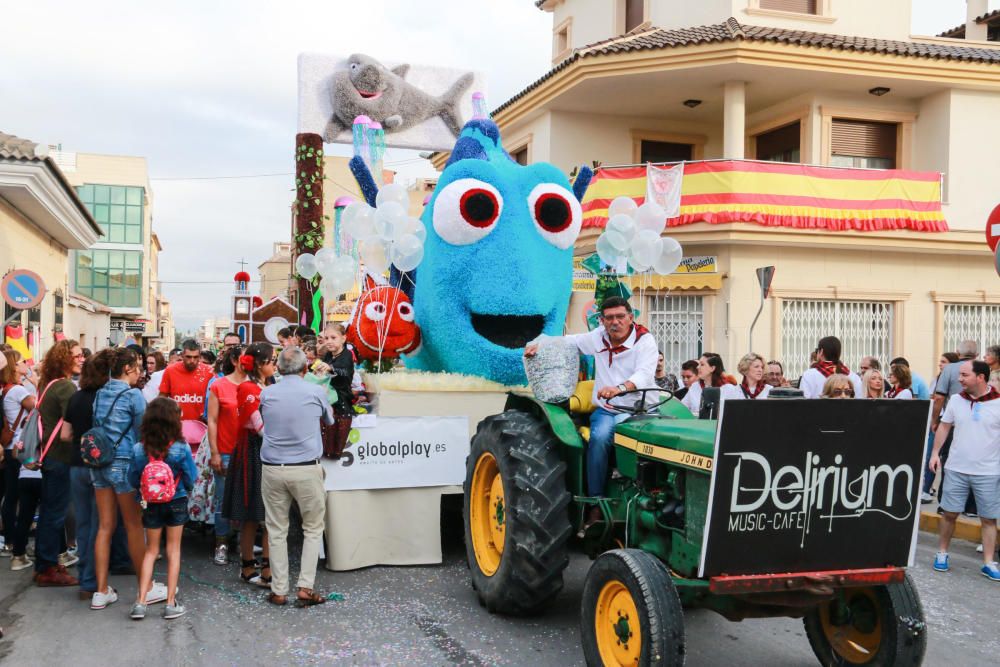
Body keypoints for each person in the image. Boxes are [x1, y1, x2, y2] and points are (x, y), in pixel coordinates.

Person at [526, 297, 657, 524]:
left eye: (620, 317)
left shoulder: (645, 341)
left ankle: (647, 491)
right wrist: (540, 344)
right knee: (600, 436)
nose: (615, 322)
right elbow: (570, 341)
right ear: (602, 321)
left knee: (632, 433)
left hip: (639, 408)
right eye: (609, 318)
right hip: (607, 409)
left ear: (630, 318)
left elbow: (645, 373)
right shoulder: (598, 337)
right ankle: (596, 501)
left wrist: (620, 388)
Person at [89, 348, 163, 610]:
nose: (141, 372)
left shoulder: (100, 393)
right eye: (139, 367)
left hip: (99, 463)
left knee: (105, 526)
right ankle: (148, 586)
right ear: (129, 369)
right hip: (123, 463)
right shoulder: (133, 395)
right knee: (133, 525)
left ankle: (100, 591)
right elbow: (144, 432)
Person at [259, 346, 332, 607]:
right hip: (305, 467)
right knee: (312, 528)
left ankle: (279, 590)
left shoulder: (266, 393)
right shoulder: (316, 391)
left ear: (278, 368)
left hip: (273, 467)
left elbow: (262, 421)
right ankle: (305, 586)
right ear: (304, 369)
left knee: (277, 529)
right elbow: (330, 420)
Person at [929, 360, 1000, 580]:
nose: (959, 379)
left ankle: (988, 562)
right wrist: (935, 453)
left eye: (964, 375)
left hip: (989, 470)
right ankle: (942, 552)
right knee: (949, 513)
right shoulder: (957, 400)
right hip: (956, 467)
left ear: (980, 377)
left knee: (988, 518)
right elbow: (944, 426)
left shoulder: (998, 402)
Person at [128, 398, 197, 620]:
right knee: (174, 550)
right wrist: (183, 488)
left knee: (151, 550)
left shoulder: (140, 448)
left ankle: (141, 601)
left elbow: (132, 478)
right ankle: (170, 603)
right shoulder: (181, 447)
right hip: (176, 501)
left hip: (151, 503)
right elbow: (191, 477)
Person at [61, 349, 114, 598]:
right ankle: (95, 581)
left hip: (76, 464)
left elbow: (64, 435)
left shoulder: (76, 397)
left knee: (83, 524)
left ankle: (85, 579)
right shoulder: (105, 399)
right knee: (100, 525)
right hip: (99, 466)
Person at [222, 343, 275, 588]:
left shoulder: (269, 386)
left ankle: (266, 568)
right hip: (253, 451)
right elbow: (260, 427)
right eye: (271, 360)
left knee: (267, 515)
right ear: (260, 364)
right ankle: (249, 566)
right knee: (253, 515)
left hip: (266, 450)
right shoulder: (248, 388)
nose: (274, 364)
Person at [33, 340, 84, 587]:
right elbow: (72, 424)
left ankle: (47, 564)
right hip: (60, 457)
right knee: (54, 515)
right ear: (64, 359)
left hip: (50, 457)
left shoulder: (49, 384)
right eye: (76, 356)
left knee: (50, 513)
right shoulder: (65, 387)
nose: (81, 359)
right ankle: (46, 568)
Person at [206, 346, 247, 566]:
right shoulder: (219, 385)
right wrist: (214, 452)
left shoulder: (257, 384)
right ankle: (221, 543)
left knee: (248, 499)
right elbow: (211, 420)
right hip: (226, 451)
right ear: (234, 360)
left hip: (250, 453)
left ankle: (244, 543)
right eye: (244, 358)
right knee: (223, 499)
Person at [2, 350, 35, 558]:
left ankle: (10, 539)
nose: (25, 363)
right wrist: (33, 378)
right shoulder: (17, 391)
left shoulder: (5, 389)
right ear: (14, 366)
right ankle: (16, 542)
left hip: (9, 446)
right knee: (20, 495)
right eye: (21, 361)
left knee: (11, 494)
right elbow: (37, 405)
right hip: (20, 447)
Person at [922, 352, 961, 502]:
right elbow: (933, 397)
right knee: (933, 455)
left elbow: (938, 399)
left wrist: (933, 420)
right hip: (941, 419)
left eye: (943, 362)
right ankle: (927, 488)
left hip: (943, 420)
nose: (940, 364)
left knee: (939, 456)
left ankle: (929, 490)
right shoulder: (938, 377)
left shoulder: (949, 376)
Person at [319, 325, 355, 460]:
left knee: (334, 445)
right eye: (326, 338)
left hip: (341, 403)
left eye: (333, 338)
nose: (329, 341)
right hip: (327, 401)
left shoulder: (347, 355)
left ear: (343, 338)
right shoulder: (328, 355)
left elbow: (344, 372)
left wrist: (330, 368)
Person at [159, 338, 214, 425]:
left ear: (199, 356)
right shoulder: (170, 371)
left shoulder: (209, 372)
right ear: (182, 355)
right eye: (188, 357)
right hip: (176, 426)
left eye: (195, 357)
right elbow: (161, 400)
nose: (192, 361)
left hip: (202, 427)